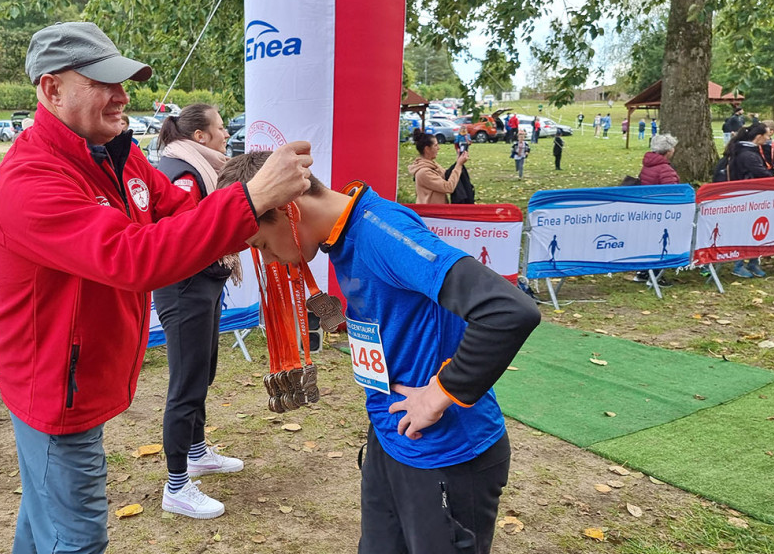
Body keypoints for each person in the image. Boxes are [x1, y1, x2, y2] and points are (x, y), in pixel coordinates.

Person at [0, 22, 313, 554]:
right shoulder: (30, 180)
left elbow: (178, 211)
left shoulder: (115, 152)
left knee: (45, 517)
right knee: (77, 537)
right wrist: (249, 198)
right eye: (103, 83)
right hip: (54, 386)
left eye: (124, 81)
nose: (122, 96)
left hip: (79, 375)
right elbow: (133, 257)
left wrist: (261, 226)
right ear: (51, 89)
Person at [217, 151, 540, 554]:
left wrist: (438, 395)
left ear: (287, 210)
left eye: (261, 244)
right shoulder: (342, 237)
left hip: (446, 452)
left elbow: (509, 310)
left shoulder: (380, 232)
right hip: (391, 439)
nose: (268, 259)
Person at [151, 103, 241, 520]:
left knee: (204, 371)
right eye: (221, 128)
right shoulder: (184, 173)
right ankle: (176, 485)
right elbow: (186, 235)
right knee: (186, 383)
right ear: (200, 136)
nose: (226, 133)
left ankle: (197, 450)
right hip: (185, 285)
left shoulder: (195, 166)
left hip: (203, 281)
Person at [727, 123, 774, 278]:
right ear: (759, 136)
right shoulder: (747, 154)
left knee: (757, 230)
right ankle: (738, 264)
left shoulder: (752, 151)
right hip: (746, 198)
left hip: (755, 198)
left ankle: (754, 262)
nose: (769, 138)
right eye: (767, 135)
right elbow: (762, 174)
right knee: (745, 231)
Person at [633, 134, 679, 287]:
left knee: (649, 241)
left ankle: (644, 271)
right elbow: (672, 193)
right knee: (661, 244)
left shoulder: (648, 165)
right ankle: (656, 274)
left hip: (647, 209)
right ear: (668, 151)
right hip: (662, 212)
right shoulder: (665, 169)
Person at [408, 129, 469, 204]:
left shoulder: (432, 165)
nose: (438, 148)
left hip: (438, 211)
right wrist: (459, 165)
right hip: (430, 213)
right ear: (427, 149)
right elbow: (448, 187)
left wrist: (458, 162)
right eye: (435, 145)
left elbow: (447, 175)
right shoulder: (424, 172)